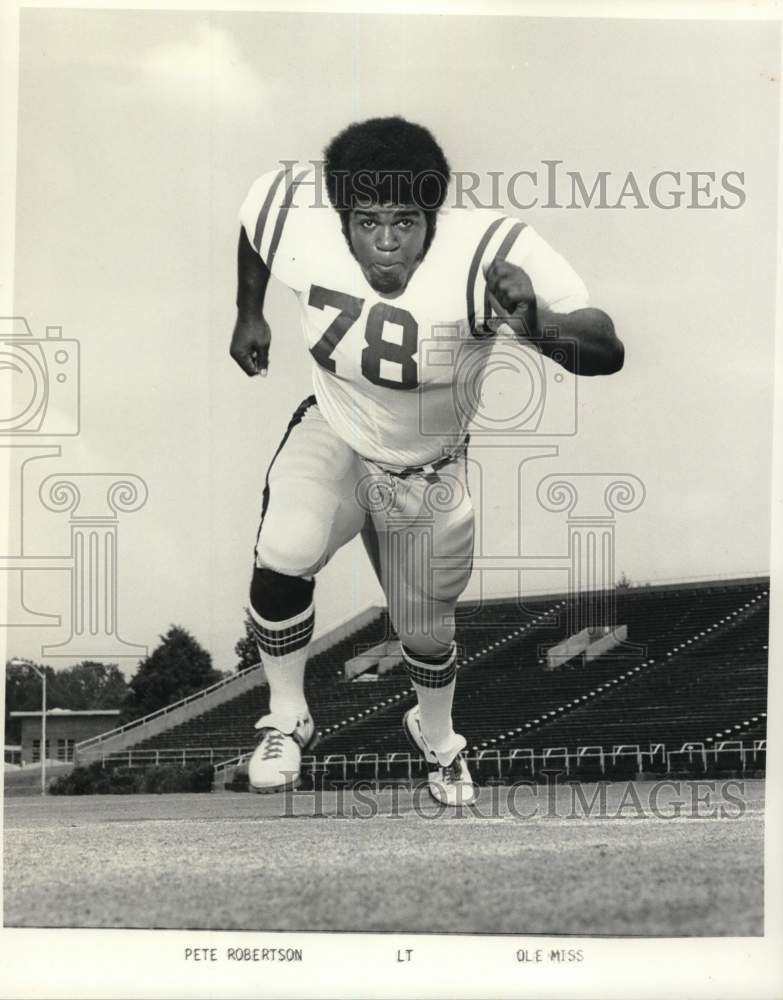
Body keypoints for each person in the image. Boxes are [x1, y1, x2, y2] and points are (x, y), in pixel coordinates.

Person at [230, 116, 623, 805]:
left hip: (428, 471)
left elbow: (606, 348)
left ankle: (438, 742)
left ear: (433, 218)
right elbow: (256, 231)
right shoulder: (294, 214)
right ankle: (286, 716)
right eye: (367, 221)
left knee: (426, 634)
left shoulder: (488, 252)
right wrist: (248, 312)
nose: (386, 243)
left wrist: (536, 326)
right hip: (339, 427)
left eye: (405, 222)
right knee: (283, 542)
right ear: (338, 217)